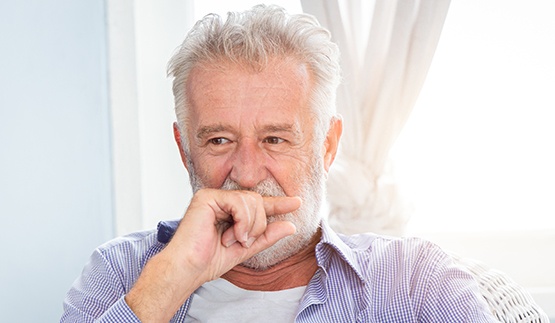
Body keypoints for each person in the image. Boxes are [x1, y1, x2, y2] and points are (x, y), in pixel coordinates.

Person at [61, 4, 496, 322]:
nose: (247, 173)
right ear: (184, 150)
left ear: (327, 146)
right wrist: (173, 277)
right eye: (219, 139)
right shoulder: (120, 274)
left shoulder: (419, 283)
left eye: (274, 139)